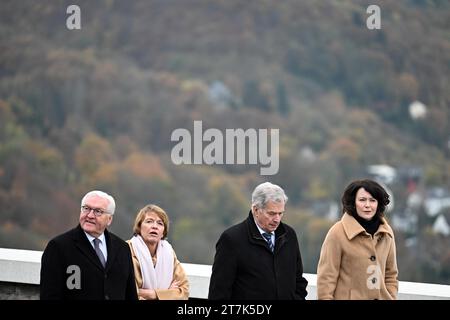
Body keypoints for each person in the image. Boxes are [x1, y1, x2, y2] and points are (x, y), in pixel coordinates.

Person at [208, 182, 308, 300]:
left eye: (280, 213)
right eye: (271, 213)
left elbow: (298, 280)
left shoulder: (289, 235)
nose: (277, 219)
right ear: (255, 210)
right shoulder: (231, 239)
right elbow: (219, 292)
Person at [40, 190, 138, 300]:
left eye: (98, 211)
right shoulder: (58, 247)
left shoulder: (122, 248)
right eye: (86, 208)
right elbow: (50, 295)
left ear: (109, 219)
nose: (90, 215)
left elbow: (130, 294)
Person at [317, 179, 399, 300]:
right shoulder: (337, 233)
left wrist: (390, 296)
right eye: (362, 200)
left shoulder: (387, 233)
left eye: (372, 200)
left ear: (378, 204)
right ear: (353, 202)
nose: (367, 205)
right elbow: (326, 279)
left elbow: (391, 274)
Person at [127, 204, 189, 300]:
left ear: (163, 232)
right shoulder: (126, 250)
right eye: (149, 221)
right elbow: (128, 292)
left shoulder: (168, 252)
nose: (154, 226)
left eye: (160, 223)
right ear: (139, 226)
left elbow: (184, 291)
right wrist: (167, 294)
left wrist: (153, 294)